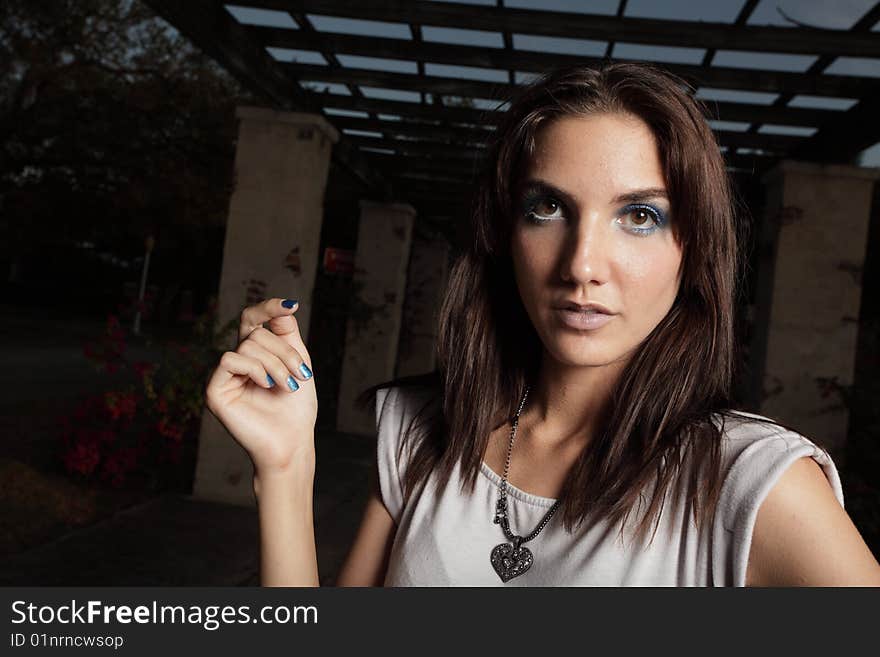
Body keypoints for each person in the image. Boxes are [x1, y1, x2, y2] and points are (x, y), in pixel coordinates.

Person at [205, 62, 880, 586]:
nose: (582, 264)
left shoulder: (753, 484)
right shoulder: (421, 430)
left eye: (639, 215)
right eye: (548, 208)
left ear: (694, 247)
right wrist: (287, 471)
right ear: (505, 233)